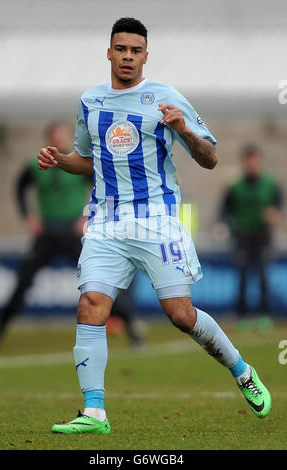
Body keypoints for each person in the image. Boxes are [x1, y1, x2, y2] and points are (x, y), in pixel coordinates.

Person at [38, 18, 272, 435]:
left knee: (180, 315)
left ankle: (242, 371)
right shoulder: (90, 102)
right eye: (121, 48)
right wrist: (60, 160)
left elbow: (210, 157)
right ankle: (94, 413)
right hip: (105, 222)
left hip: (156, 220)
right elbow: (87, 160)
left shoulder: (164, 97)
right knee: (91, 304)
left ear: (146, 55)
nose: (128, 56)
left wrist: (183, 129)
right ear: (108, 52)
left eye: (136, 50)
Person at [0, 122, 142, 348]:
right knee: (22, 283)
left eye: (63, 137)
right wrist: (28, 216)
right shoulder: (36, 163)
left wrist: (87, 217)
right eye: (56, 138)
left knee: (98, 281)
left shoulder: (78, 163)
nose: (60, 142)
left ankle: (133, 331)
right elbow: (20, 187)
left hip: (73, 232)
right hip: (47, 233)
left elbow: (101, 189)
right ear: (49, 139)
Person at [219, 144, 283, 329]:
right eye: (248, 160)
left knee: (263, 275)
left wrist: (275, 213)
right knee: (243, 276)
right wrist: (224, 224)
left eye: (254, 160)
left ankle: (264, 314)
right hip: (242, 236)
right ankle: (243, 315)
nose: (251, 164)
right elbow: (225, 209)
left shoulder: (270, 183)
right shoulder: (236, 186)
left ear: (259, 161)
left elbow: (278, 204)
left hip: (263, 236)